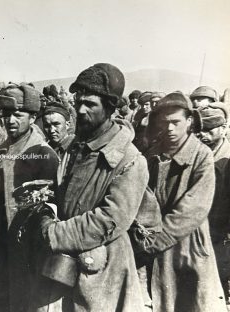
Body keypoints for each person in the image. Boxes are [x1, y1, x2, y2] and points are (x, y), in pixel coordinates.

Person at [35, 63, 148, 311]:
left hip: (102, 274)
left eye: (90, 104)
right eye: (78, 101)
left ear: (109, 108)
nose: (81, 109)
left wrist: (53, 234)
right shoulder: (78, 147)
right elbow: (61, 191)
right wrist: (46, 210)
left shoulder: (130, 160)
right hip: (61, 267)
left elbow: (109, 220)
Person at [0, 83, 59, 312]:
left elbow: (47, 206)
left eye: (18, 115)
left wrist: (3, 181)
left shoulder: (43, 154)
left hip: (26, 244)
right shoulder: (4, 146)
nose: (10, 121)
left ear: (33, 116)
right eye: (6, 115)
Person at [137, 92, 227, 312]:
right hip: (150, 243)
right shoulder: (151, 154)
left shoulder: (201, 155)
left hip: (188, 245)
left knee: (188, 301)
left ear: (189, 121)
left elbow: (194, 208)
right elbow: (140, 195)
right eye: (164, 122)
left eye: (176, 122)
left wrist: (154, 241)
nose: (170, 128)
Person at [196, 102, 230, 305]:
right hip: (200, 229)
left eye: (209, 129)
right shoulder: (198, 153)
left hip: (221, 233)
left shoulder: (227, 159)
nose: (203, 134)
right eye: (200, 129)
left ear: (223, 128)